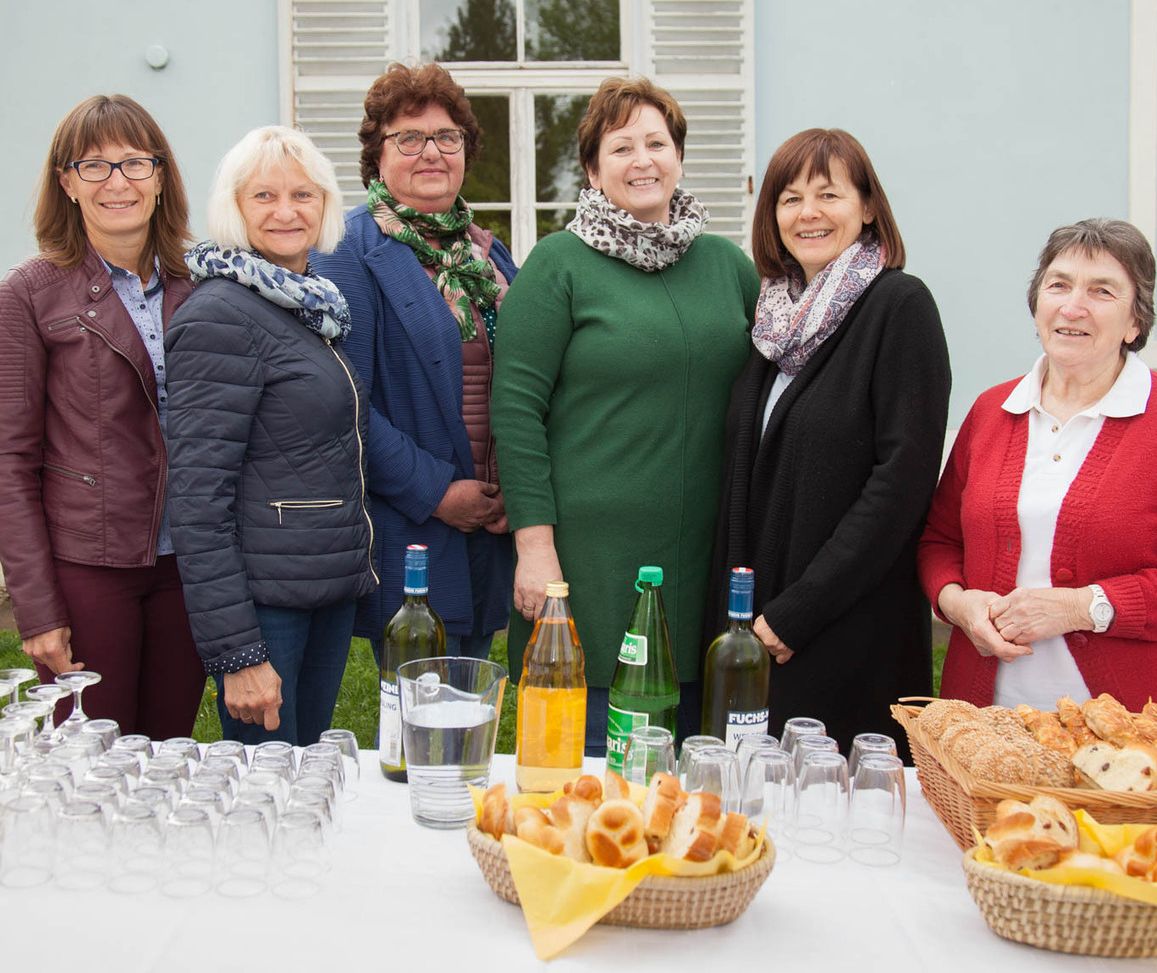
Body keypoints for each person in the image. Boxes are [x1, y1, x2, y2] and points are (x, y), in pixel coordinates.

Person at [492, 77, 759, 753]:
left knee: (694, 772)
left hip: (702, 561)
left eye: (656, 143)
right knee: (588, 773)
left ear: (679, 157)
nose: (643, 160)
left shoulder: (728, 267)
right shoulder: (558, 265)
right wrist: (534, 548)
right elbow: (516, 411)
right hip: (588, 566)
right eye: (621, 147)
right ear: (592, 170)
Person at [919, 218, 1157, 713]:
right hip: (987, 719)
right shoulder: (993, 411)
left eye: (1102, 291)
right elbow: (939, 540)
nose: (1073, 307)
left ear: (1135, 322)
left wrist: (1084, 608)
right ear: (1037, 304)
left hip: (1133, 726)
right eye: (1058, 285)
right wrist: (957, 603)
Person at [707, 129, 951, 756]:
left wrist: (802, 610)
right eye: (790, 198)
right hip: (760, 625)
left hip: (845, 626)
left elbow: (903, 480)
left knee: (830, 796)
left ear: (867, 206)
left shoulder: (899, 305)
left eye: (828, 194)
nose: (807, 213)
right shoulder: (772, 323)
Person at [0, 94, 204, 738]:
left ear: (159, 177)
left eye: (134, 163)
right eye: (94, 166)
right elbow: (8, 461)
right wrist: (37, 610)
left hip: (191, 563)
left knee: (168, 753)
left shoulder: (202, 285)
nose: (117, 182)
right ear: (67, 183)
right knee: (93, 760)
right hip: (89, 566)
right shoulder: (28, 294)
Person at [165, 126, 374, 745]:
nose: (287, 211)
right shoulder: (219, 316)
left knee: (308, 778)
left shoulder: (308, 307)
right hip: (264, 609)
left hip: (322, 588)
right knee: (266, 789)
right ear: (234, 207)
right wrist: (238, 654)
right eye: (264, 196)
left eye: (303, 194)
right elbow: (198, 501)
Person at [310, 62, 515, 662]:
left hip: (492, 523)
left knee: (474, 699)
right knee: (420, 706)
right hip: (413, 522)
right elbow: (343, 402)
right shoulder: (346, 249)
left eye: (447, 137)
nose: (431, 151)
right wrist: (438, 492)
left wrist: (515, 486)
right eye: (409, 138)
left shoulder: (486, 253)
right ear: (378, 157)